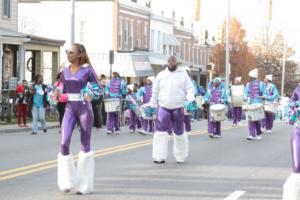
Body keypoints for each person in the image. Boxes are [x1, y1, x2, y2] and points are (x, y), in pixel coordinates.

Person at [57, 43, 100, 194]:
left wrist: (91, 94)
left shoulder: (87, 70)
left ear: (79, 55)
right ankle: (66, 181)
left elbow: (98, 87)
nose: (68, 54)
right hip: (69, 107)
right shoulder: (64, 71)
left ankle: (84, 185)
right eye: (67, 52)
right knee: (63, 143)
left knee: (85, 145)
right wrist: (56, 92)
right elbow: (61, 87)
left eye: (71, 52)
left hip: (84, 108)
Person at [149, 56, 195, 164]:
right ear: (167, 63)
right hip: (163, 107)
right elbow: (155, 91)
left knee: (179, 132)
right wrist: (152, 104)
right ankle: (159, 156)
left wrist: (190, 99)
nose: (171, 63)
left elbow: (190, 89)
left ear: (176, 63)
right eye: (169, 61)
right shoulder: (161, 75)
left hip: (178, 107)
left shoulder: (183, 75)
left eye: (173, 61)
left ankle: (181, 156)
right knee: (160, 131)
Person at [282, 85, 300, 200]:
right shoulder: (299, 89)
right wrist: (295, 107)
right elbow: (291, 103)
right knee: (297, 167)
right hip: (299, 131)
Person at [244, 68, 266, 140]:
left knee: (256, 119)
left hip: (258, 104)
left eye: (249, 76)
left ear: (252, 76)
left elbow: (264, 93)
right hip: (251, 103)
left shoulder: (261, 84)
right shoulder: (248, 84)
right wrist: (246, 99)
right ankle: (252, 135)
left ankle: (258, 133)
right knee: (251, 119)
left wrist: (262, 96)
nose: (249, 77)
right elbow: (246, 93)